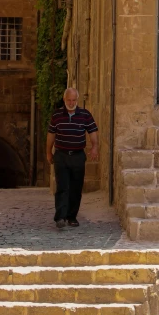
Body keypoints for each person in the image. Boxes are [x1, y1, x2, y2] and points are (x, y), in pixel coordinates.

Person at [46, 87, 99, 229]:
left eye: (74, 100)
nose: (71, 102)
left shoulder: (85, 115)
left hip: (77, 156)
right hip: (61, 155)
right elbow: (51, 135)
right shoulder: (57, 115)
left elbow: (92, 131)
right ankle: (60, 217)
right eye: (69, 100)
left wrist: (95, 147)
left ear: (77, 100)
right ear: (64, 100)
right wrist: (48, 152)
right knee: (62, 186)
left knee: (76, 187)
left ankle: (72, 217)